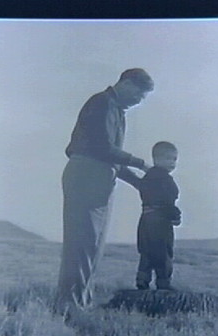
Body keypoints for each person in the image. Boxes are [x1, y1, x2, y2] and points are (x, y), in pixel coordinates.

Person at [55, 68, 155, 311]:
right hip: (86, 177)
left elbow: (113, 160)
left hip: (100, 180)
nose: (138, 102)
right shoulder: (102, 103)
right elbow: (102, 149)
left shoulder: (118, 111)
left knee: (93, 247)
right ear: (127, 83)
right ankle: (70, 305)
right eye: (139, 95)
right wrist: (142, 164)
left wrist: (140, 183)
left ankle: (80, 302)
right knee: (81, 245)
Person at [119, 141, 181, 291]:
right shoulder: (166, 180)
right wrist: (175, 216)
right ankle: (163, 283)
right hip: (161, 221)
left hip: (145, 219)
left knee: (146, 252)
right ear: (157, 159)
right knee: (164, 252)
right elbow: (169, 200)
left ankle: (142, 280)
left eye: (174, 159)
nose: (173, 163)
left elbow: (139, 186)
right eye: (169, 158)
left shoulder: (147, 178)